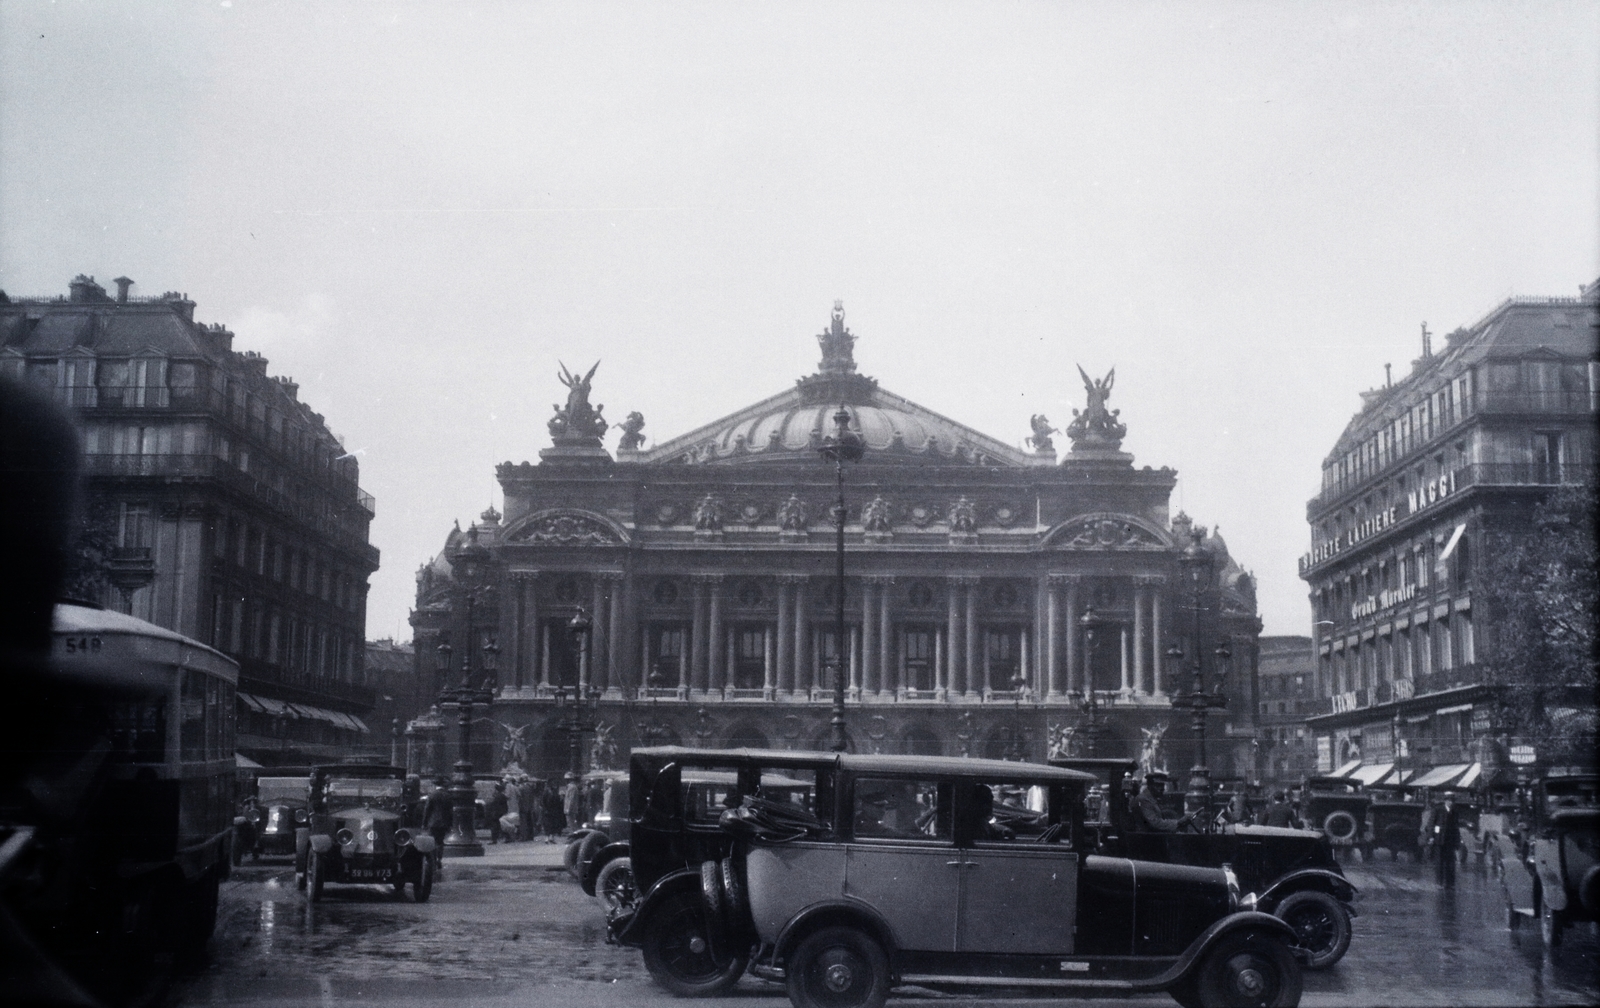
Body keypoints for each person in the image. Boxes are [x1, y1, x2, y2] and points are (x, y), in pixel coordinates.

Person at [1434, 797, 1461, 889]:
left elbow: (1456, 827)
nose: (1451, 803)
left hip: (1451, 840)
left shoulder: (1455, 812)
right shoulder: (1438, 810)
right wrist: (1432, 836)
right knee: (1440, 862)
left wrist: (1457, 841)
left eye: (1452, 801)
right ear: (1445, 801)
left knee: (1450, 863)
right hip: (1440, 840)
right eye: (1449, 801)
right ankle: (1440, 882)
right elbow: (1432, 824)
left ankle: (1450, 883)